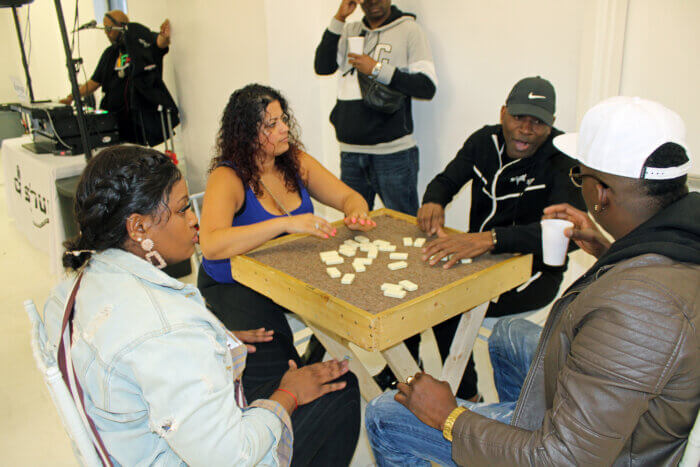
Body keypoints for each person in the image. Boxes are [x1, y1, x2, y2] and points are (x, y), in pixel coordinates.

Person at [365, 96, 700, 465]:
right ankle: (509, 437)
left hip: (595, 453)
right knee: (508, 333)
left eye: (581, 177)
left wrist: (450, 418)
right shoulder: (680, 237)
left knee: (385, 413)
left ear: (602, 193)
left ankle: (505, 447)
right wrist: (608, 248)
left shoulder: (639, 310)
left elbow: (561, 459)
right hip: (620, 415)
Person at [42, 146, 360, 465]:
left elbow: (143, 358)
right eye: (182, 210)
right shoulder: (168, 331)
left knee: (272, 366)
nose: (196, 220)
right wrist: (288, 396)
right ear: (138, 227)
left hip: (133, 448)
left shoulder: (69, 290)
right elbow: (234, 458)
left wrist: (211, 342)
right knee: (340, 387)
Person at [197, 83, 371, 459]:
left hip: (288, 276)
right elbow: (210, 243)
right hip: (234, 283)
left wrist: (355, 210)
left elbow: (347, 196)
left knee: (351, 303)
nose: (283, 131)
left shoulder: (294, 161)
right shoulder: (227, 177)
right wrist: (285, 225)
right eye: (270, 125)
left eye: (282, 120)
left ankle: (316, 360)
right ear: (245, 134)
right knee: (273, 361)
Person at [416, 76, 585, 400]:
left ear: (551, 125)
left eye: (537, 122)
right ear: (503, 112)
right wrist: (434, 200)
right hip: (477, 257)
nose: (526, 128)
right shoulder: (484, 141)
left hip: (534, 270)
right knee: (417, 291)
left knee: (445, 307)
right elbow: (445, 180)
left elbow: (563, 236)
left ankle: (466, 401)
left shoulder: (563, 158)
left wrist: (491, 239)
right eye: (518, 117)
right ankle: (410, 380)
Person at [314, 0, 437, 216]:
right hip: (351, 153)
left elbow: (426, 87)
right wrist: (340, 18)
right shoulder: (350, 30)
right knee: (355, 232)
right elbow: (323, 67)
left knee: (403, 229)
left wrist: (377, 69)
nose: (372, 1)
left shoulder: (409, 30)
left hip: (393, 153)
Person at [59, 10, 177, 146]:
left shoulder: (138, 44)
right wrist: (71, 97)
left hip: (137, 122)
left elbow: (159, 43)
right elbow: (93, 83)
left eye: (109, 28)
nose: (106, 33)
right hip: (114, 123)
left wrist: (165, 35)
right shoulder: (110, 54)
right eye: (105, 29)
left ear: (121, 26)